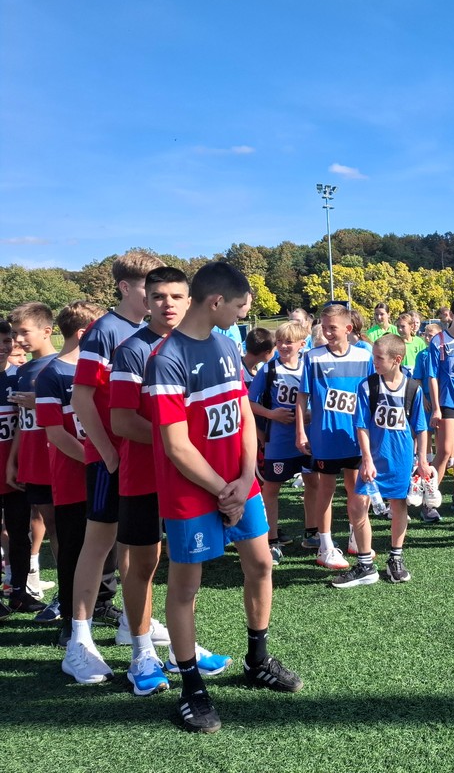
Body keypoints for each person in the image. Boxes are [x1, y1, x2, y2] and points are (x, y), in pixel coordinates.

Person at [145, 261, 302, 733]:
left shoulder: (228, 345)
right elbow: (176, 446)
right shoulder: (166, 358)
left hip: (239, 481)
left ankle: (257, 660)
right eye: (238, 307)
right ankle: (192, 688)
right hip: (191, 491)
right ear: (215, 302)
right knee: (185, 588)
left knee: (261, 565)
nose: (242, 316)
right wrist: (221, 489)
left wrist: (245, 475)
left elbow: (243, 413)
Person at [69, 250, 164, 664]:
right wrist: (107, 454)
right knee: (99, 543)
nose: (157, 296)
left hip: (137, 457)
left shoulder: (145, 330)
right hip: (111, 457)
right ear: (125, 287)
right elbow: (81, 398)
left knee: (137, 544)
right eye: (148, 287)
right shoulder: (104, 330)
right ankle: (79, 638)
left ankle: (132, 622)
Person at [110, 267, 200, 693]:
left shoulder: (197, 346)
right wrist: (177, 443)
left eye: (176, 296)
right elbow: (122, 420)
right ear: (146, 301)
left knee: (187, 562)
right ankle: (141, 652)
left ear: (189, 301)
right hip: (144, 475)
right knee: (144, 563)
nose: (168, 304)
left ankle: (184, 650)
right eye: (159, 296)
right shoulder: (131, 351)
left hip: (188, 474)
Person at [38, 304, 109, 675]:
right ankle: (70, 618)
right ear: (84, 333)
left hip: (105, 470)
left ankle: (103, 605)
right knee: (73, 550)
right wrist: (95, 458)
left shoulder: (101, 368)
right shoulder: (52, 374)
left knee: (110, 548)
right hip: (73, 479)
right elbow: (55, 433)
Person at [333, 333, 431, 586]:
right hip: (374, 459)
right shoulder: (367, 386)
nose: (374, 362)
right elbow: (362, 425)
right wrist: (366, 459)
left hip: (400, 458)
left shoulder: (413, 388)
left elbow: (421, 427)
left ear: (396, 360)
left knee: (399, 506)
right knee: (357, 506)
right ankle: (365, 564)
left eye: (379, 358)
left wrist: (422, 460)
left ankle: (395, 558)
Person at [294, 303, 371, 570]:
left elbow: (371, 396)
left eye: (332, 328)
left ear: (348, 329)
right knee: (326, 489)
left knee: (355, 488)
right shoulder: (313, 357)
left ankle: (355, 536)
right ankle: (325, 546)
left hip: (354, 436)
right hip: (325, 438)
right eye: (324, 327)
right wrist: (300, 431)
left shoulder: (364, 357)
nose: (327, 332)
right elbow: (302, 396)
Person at [7, 303, 59, 608]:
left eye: (24, 332)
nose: (18, 340)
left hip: (57, 458)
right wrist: (13, 460)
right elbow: (21, 424)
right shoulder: (23, 370)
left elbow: (76, 409)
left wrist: (39, 402)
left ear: (47, 331)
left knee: (61, 528)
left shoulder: (62, 365)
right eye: (15, 333)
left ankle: (70, 594)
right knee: (47, 524)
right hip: (32, 462)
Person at [248, 319, 311, 564]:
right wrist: (272, 414)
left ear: (302, 344)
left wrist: (310, 414)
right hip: (278, 440)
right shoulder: (269, 369)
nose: (283, 346)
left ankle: (313, 533)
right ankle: (271, 541)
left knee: (313, 483)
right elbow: (248, 402)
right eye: (280, 341)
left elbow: (319, 397)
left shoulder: (309, 367)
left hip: (307, 438)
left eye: (289, 342)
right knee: (271, 488)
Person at [427, 298, 454, 506]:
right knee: (445, 451)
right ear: (451, 315)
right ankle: (429, 497)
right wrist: (436, 407)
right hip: (447, 402)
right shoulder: (439, 340)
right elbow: (432, 376)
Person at [0, 321, 30, 621]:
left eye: (7, 341)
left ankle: (19, 592)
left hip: (15, 471)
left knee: (20, 533)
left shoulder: (19, 376)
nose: (3, 347)